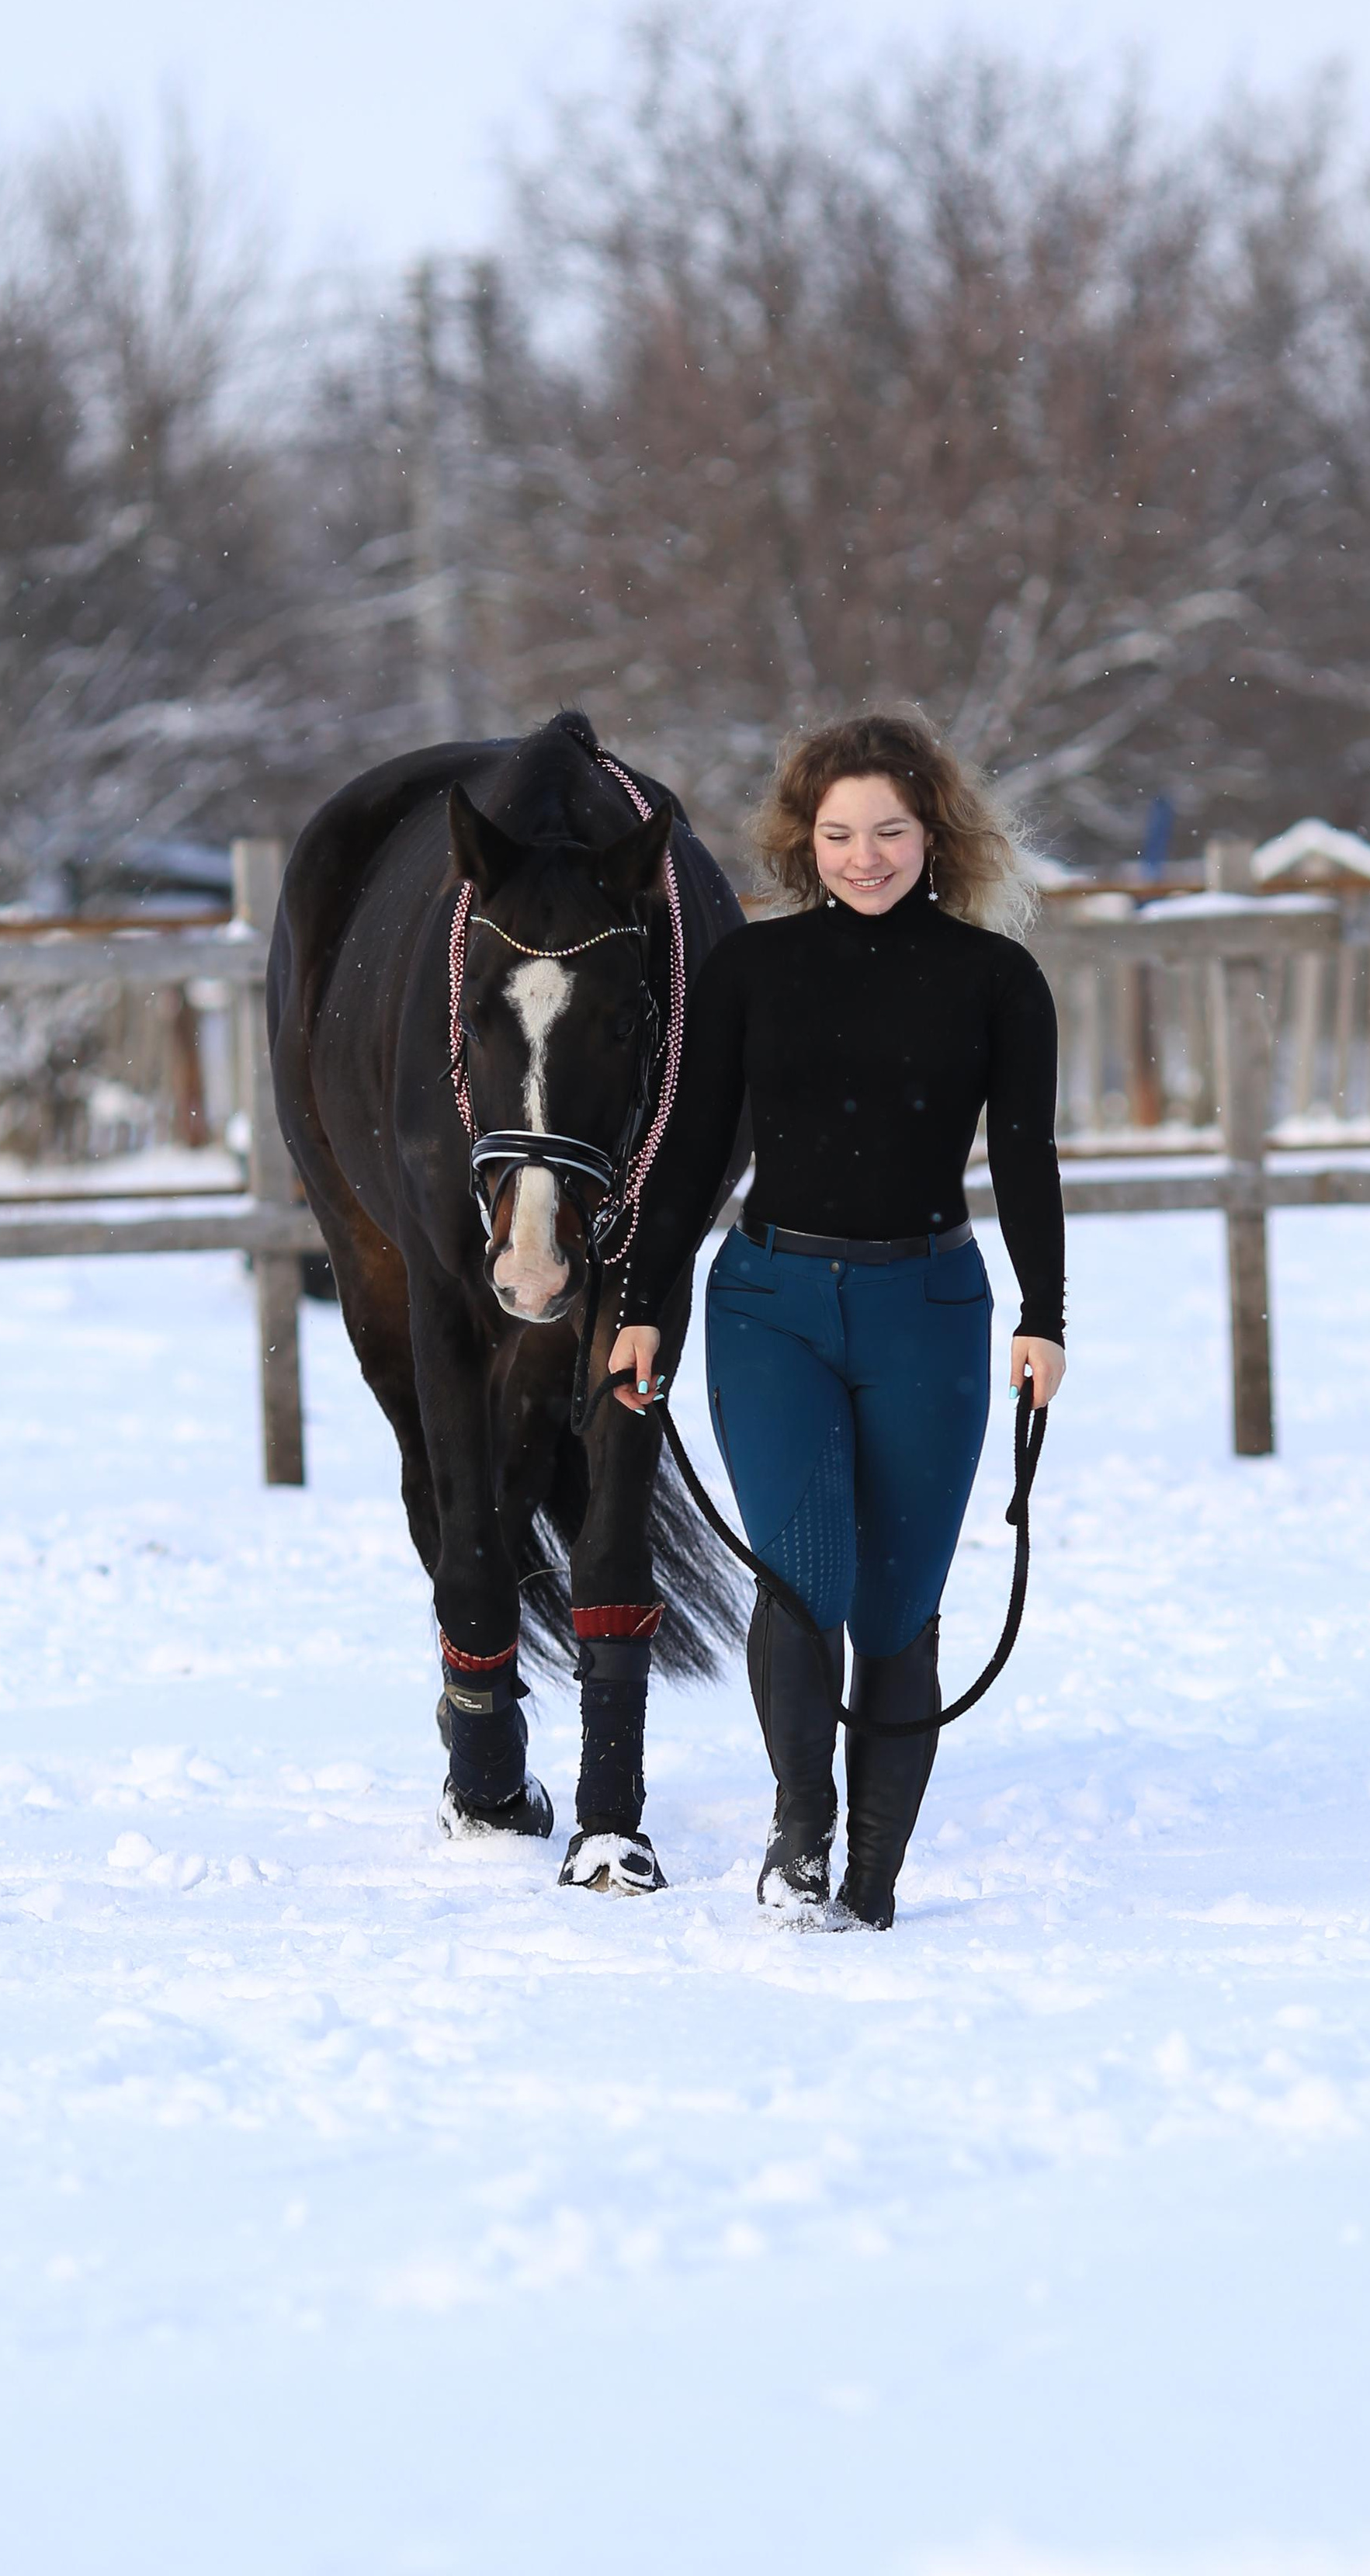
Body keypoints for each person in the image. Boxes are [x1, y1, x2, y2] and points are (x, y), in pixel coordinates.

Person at [608, 713, 1066, 1927]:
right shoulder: (751, 972)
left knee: (901, 1603)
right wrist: (645, 1306)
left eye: (891, 831)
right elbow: (691, 1149)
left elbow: (1026, 1158)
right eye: (841, 833)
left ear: (934, 835)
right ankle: (798, 1835)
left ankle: (873, 1877)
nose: (866, 856)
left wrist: (1045, 1315)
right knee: (805, 1578)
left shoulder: (996, 981)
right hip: (771, 1305)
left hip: (931, 1307)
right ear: (805, 842)